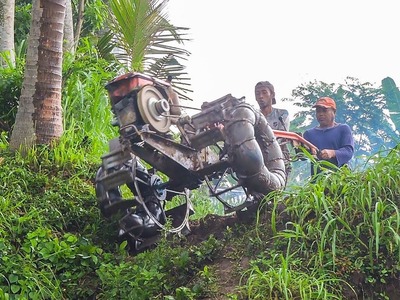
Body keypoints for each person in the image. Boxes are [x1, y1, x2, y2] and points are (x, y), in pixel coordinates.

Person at [303, 96, 354, 176]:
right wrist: (297, 146)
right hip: (318, 182)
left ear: (334, 111)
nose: (321, 114)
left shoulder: (343, 129)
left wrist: (333, 153)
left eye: (324, 111)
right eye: (318, 111)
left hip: (341, 179)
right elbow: (302, 157)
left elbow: (348, 152)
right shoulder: (309, 134)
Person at [254, 81, 292, 179]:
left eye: (264, 92)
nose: (261, 96)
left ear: (272, 95)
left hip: (280, 160)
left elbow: (281, 137)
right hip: (259, 162)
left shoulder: (282, 114)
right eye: (257, 94)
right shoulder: (253, 117)